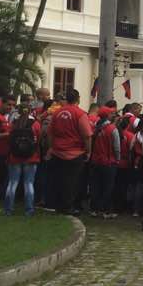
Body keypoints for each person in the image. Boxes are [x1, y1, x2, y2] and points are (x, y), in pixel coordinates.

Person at [45, 88, 93, 216]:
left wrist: (51, 147)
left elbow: (49, 133)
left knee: (59, 179)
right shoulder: (80, 114)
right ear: (78, 99)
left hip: (58, 152)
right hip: (74, 153)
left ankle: (57, 205)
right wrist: (88, 151)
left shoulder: (57, 113)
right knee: (72, 182)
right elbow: (87, 135)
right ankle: (67, 207)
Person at [4, 104, 41, 216]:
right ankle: (29, 210)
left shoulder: (14, 123)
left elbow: (9, 140)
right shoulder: (35, 124)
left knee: (12, 183)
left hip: (14, 157)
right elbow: (38, 140)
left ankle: (8, 209)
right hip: (31, 157)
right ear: (30, 111)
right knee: (29, 183)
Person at [88, 107, 121, 219]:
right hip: (109, 162)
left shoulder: (95, 128)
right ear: (108, 115)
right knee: (108, 187)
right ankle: (106, 210)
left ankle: (94, 209)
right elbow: (116, 148)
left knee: (95, 186)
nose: (113, 115)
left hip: (96, 161)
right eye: (112, 113)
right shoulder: (112, 129)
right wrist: (117, 159)